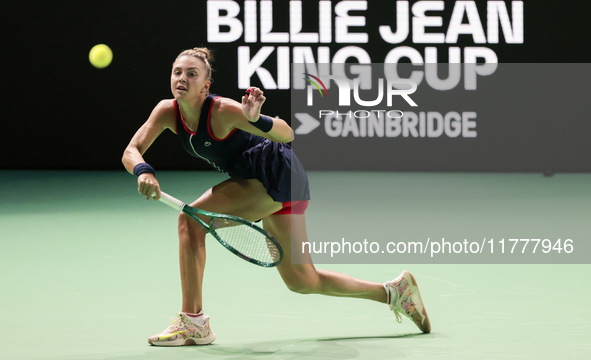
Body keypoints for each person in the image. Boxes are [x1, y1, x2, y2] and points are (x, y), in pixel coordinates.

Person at [122, 47, 431, 346]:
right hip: (258, 181)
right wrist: (143, 171)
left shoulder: (222, 110)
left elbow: (287, 133)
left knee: (191, 221)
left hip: (277, 174)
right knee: (303, 280)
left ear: (206, 85)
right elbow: (131, 151)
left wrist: (257, 119)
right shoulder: (166, 111)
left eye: (192, 74)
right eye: (178, 72)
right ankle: (395, 292)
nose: (182, 79)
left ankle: (194, 322)